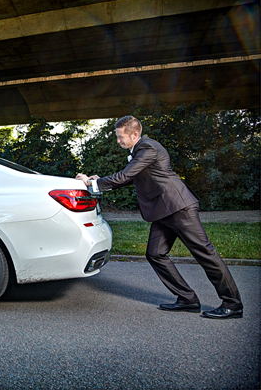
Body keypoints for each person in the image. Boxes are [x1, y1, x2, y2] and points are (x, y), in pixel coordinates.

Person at [76, 115, 243, 319]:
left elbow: (126, 176)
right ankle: (187, 299)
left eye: (121, 137)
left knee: (204, 253)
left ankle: (233, 304)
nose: (118, 141)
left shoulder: (148, 148)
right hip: (163, 211)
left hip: (178, 208)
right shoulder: (140, 150)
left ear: (134, 134)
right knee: (155, 253)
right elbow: (133, 175)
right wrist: (100, 180)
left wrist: (91, 183)